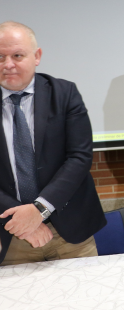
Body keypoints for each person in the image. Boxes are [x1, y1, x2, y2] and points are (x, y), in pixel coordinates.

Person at [0, 21, 106, 265]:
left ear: (36, 56)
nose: (8, 64)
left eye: (17, 55)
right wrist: (23, 222)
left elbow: (79, 158)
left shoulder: (65, 93)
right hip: (11, 237)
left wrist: (38, 210)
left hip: (70, 235)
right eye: (0, 56)